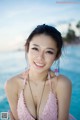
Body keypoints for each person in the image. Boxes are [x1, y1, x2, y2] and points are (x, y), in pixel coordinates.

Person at [4, 24, 77, 120]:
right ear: (27, 48)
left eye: (49, 52)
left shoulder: (62, 84)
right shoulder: (12, 84)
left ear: (57, 55)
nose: (40, 58)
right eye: (35, 48)